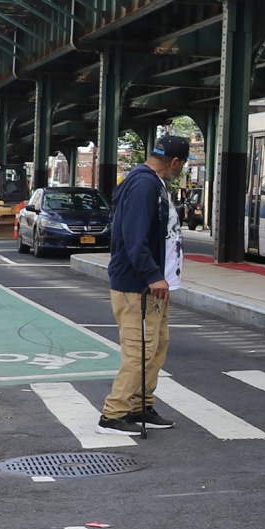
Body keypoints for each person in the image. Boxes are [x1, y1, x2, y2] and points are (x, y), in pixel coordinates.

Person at [102, 134, 189, 436]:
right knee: (138, 351)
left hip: (154, 287)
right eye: (183, 164)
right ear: (175, 162)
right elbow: (133, 237)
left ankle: (141, 405)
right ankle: (113, 414)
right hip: (137, 286)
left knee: (155, 348)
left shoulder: (153, 183)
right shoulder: (144, 185)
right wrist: (152, 275)